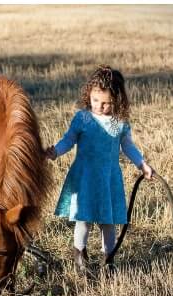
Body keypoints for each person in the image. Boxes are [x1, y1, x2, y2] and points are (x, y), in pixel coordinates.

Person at [45, 65, 154, 271]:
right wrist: (56, 151)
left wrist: (142, 164)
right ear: (89, 95)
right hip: (85, 177)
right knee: (83, 219)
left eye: (106, 103)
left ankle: (108, 259)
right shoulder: (83, 118)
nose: (99, 106)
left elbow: (128, 146)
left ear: (117, 101)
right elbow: (69, 139)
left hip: (108, 179)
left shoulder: (119, 123)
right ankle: (79, 255)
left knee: (108, 222)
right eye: (96, 101)